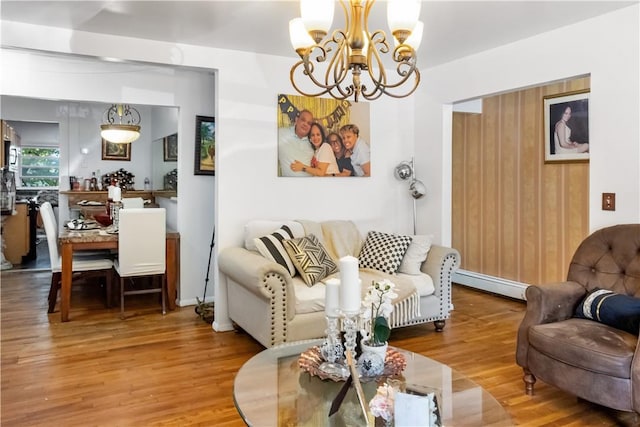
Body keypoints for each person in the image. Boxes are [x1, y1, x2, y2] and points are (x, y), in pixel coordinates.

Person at [278, 109, 314, 176]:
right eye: (303, 120)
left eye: (309, 123)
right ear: (297, 120)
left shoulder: (313, 142)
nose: (305, 124)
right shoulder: (281, 134)